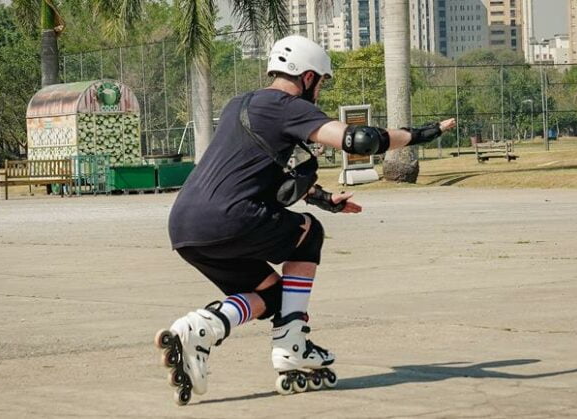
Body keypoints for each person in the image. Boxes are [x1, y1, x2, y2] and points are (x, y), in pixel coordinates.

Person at [154, 35, 457, 405]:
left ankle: (202, 328)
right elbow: (358, 139)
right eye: (322, 82)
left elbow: (261, 175)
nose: (320, 90)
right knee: (308, 233)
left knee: (274, 296)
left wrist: (325, 199)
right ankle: (292, 345)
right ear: (309, 77)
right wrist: (420, 134)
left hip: (186, 225)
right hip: (231, 217)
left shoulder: (239, 105)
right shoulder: (286, 105)